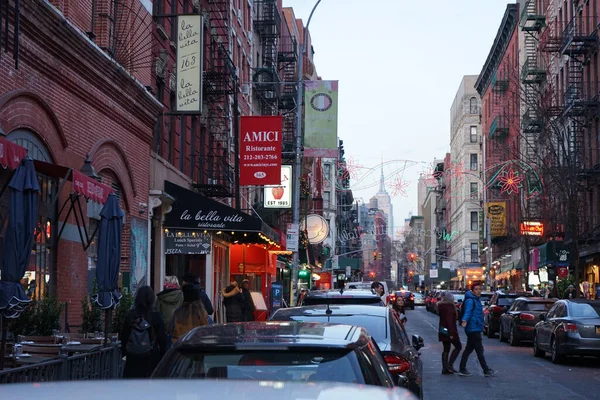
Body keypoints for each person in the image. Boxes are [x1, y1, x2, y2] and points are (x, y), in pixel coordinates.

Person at [120, 286, 167, 378]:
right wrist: (161, 355)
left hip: (132, 357)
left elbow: (124, 336)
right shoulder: (156, 316)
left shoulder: (130, 315)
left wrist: (125, 354)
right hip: (151, 357)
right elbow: (162, 338)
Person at [458, 284, 496, 377]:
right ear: (472, 291)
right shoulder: (471, 301)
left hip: (475, 327)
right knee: (479, 349)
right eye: (476, 289)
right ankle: (485, 369)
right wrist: (465, 320)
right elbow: (468, 311)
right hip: (472, 328)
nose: (479, 291)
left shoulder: (475, 300)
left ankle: (462, 368)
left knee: (469, 349)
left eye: (480, 289)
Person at [438, 291, 462, 375]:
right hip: (449, 331)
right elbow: (449, 321)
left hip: (443, 330)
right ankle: (449, 365)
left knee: (446, 349)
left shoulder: (441, 306)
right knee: (458, 346)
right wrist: (452, 333)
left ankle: (445, 368)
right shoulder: (449, 307)